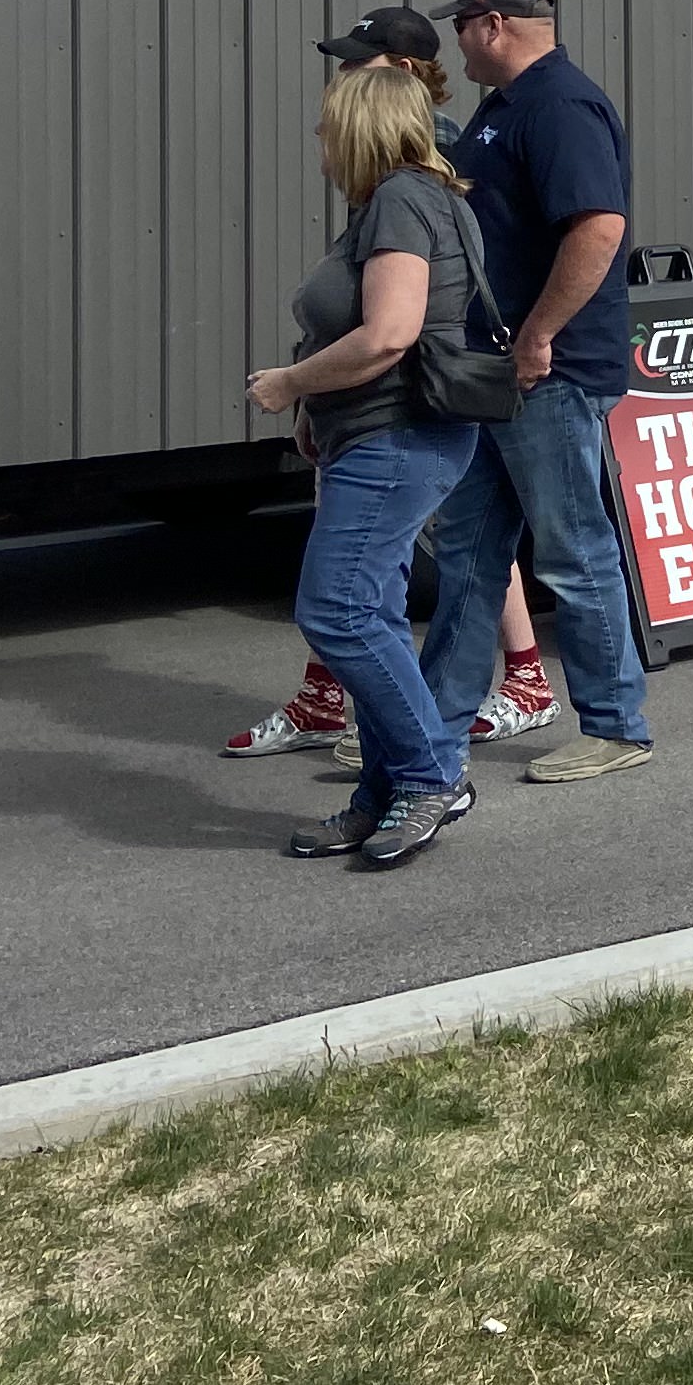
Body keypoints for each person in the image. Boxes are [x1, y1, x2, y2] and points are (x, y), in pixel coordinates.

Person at [227, 9, 558, 761]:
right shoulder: (394, 181)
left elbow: (392, 325)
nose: (342, 81)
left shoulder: (414, 177)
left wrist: (296, 383)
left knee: (376, 583)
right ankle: (373, 728)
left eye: (358, 65)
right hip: (381, 408)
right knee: (365, 588)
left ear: (399, 78)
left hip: (406, 407)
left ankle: (450, 740)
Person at [417, 0, 662, 788]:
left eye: (461, 24)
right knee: (470, 548)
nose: (456, 40)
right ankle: (433, 722)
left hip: (546, 373)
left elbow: (599, 228)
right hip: (499, 368)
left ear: (492, 24)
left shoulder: (558, 105)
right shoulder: (506, 106)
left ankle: (616, 724)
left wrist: (538, 335)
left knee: (570, 547)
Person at [251, 65, 490, 869]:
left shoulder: (400, 201)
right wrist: (320, 411)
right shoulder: (407, 200)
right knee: (373, 616)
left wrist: (289, 386)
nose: (318, 142)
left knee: (337, 612)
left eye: (327, 128)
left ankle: (432, 774)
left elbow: (390, 333)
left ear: (359, 130)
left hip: (397, 440)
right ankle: (383, 793)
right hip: (379, 437)